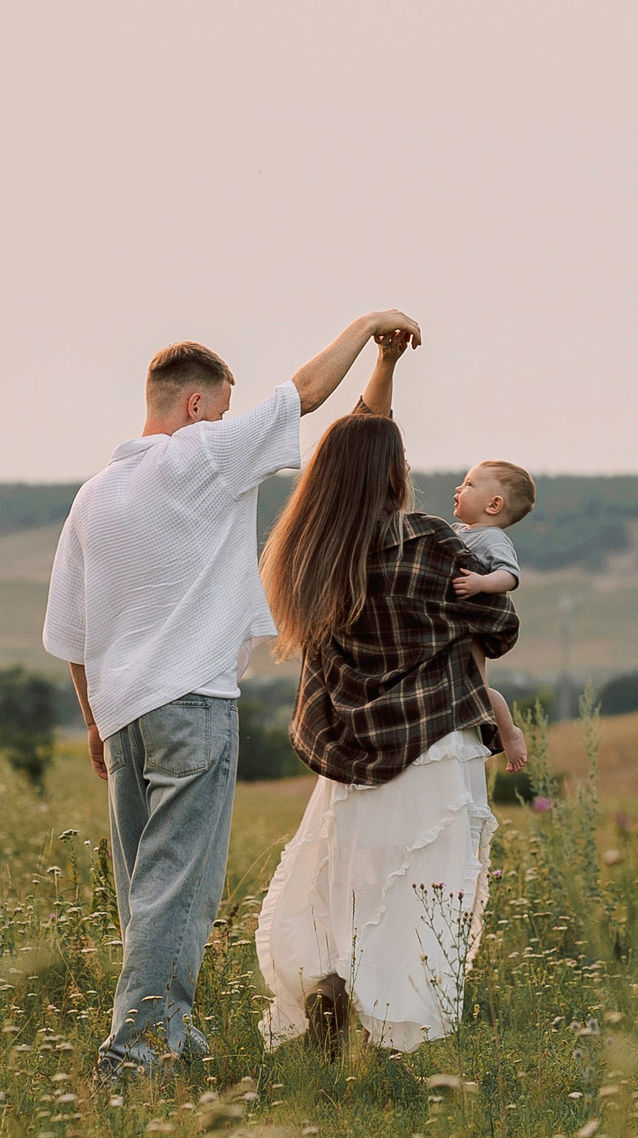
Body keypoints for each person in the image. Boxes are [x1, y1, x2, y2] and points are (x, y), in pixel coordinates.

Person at [43, 308, 424, 1083]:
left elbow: (71, 634)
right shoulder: (203, 455)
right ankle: (134, 1054)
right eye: (223, 404)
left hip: (122, 718)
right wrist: (366, 329)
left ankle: (169, 1031)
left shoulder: (93, 496)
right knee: (178, 886)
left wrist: (92, 724)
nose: (229, 419)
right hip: (190, 702)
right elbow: (307, 394)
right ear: (196, 405)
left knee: (144, 889)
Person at [254, 333, 528, 1057]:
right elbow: (499, 627)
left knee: (350, 888)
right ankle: (397, 1042)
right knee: (426, 900)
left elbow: (358, 439)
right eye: (400, 460)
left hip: (352, 758)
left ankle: (334, 993)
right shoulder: (433, 542)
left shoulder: (312, 557)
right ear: (389, 474)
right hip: (435, 749)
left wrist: (386, 364)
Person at [449, 459, 536, 599]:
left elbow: (509, 574)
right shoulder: (454, 530)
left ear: (494, 505)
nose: (458, 488)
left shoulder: (492, 537)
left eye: (469, 484)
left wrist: (481, 583)